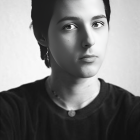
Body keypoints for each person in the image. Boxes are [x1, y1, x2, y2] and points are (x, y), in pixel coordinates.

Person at [0, 0, 140, 139]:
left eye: (97, 24)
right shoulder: (9, 111)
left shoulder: (133, 113)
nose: (89, 40)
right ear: (41, 35)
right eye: (70, 26)